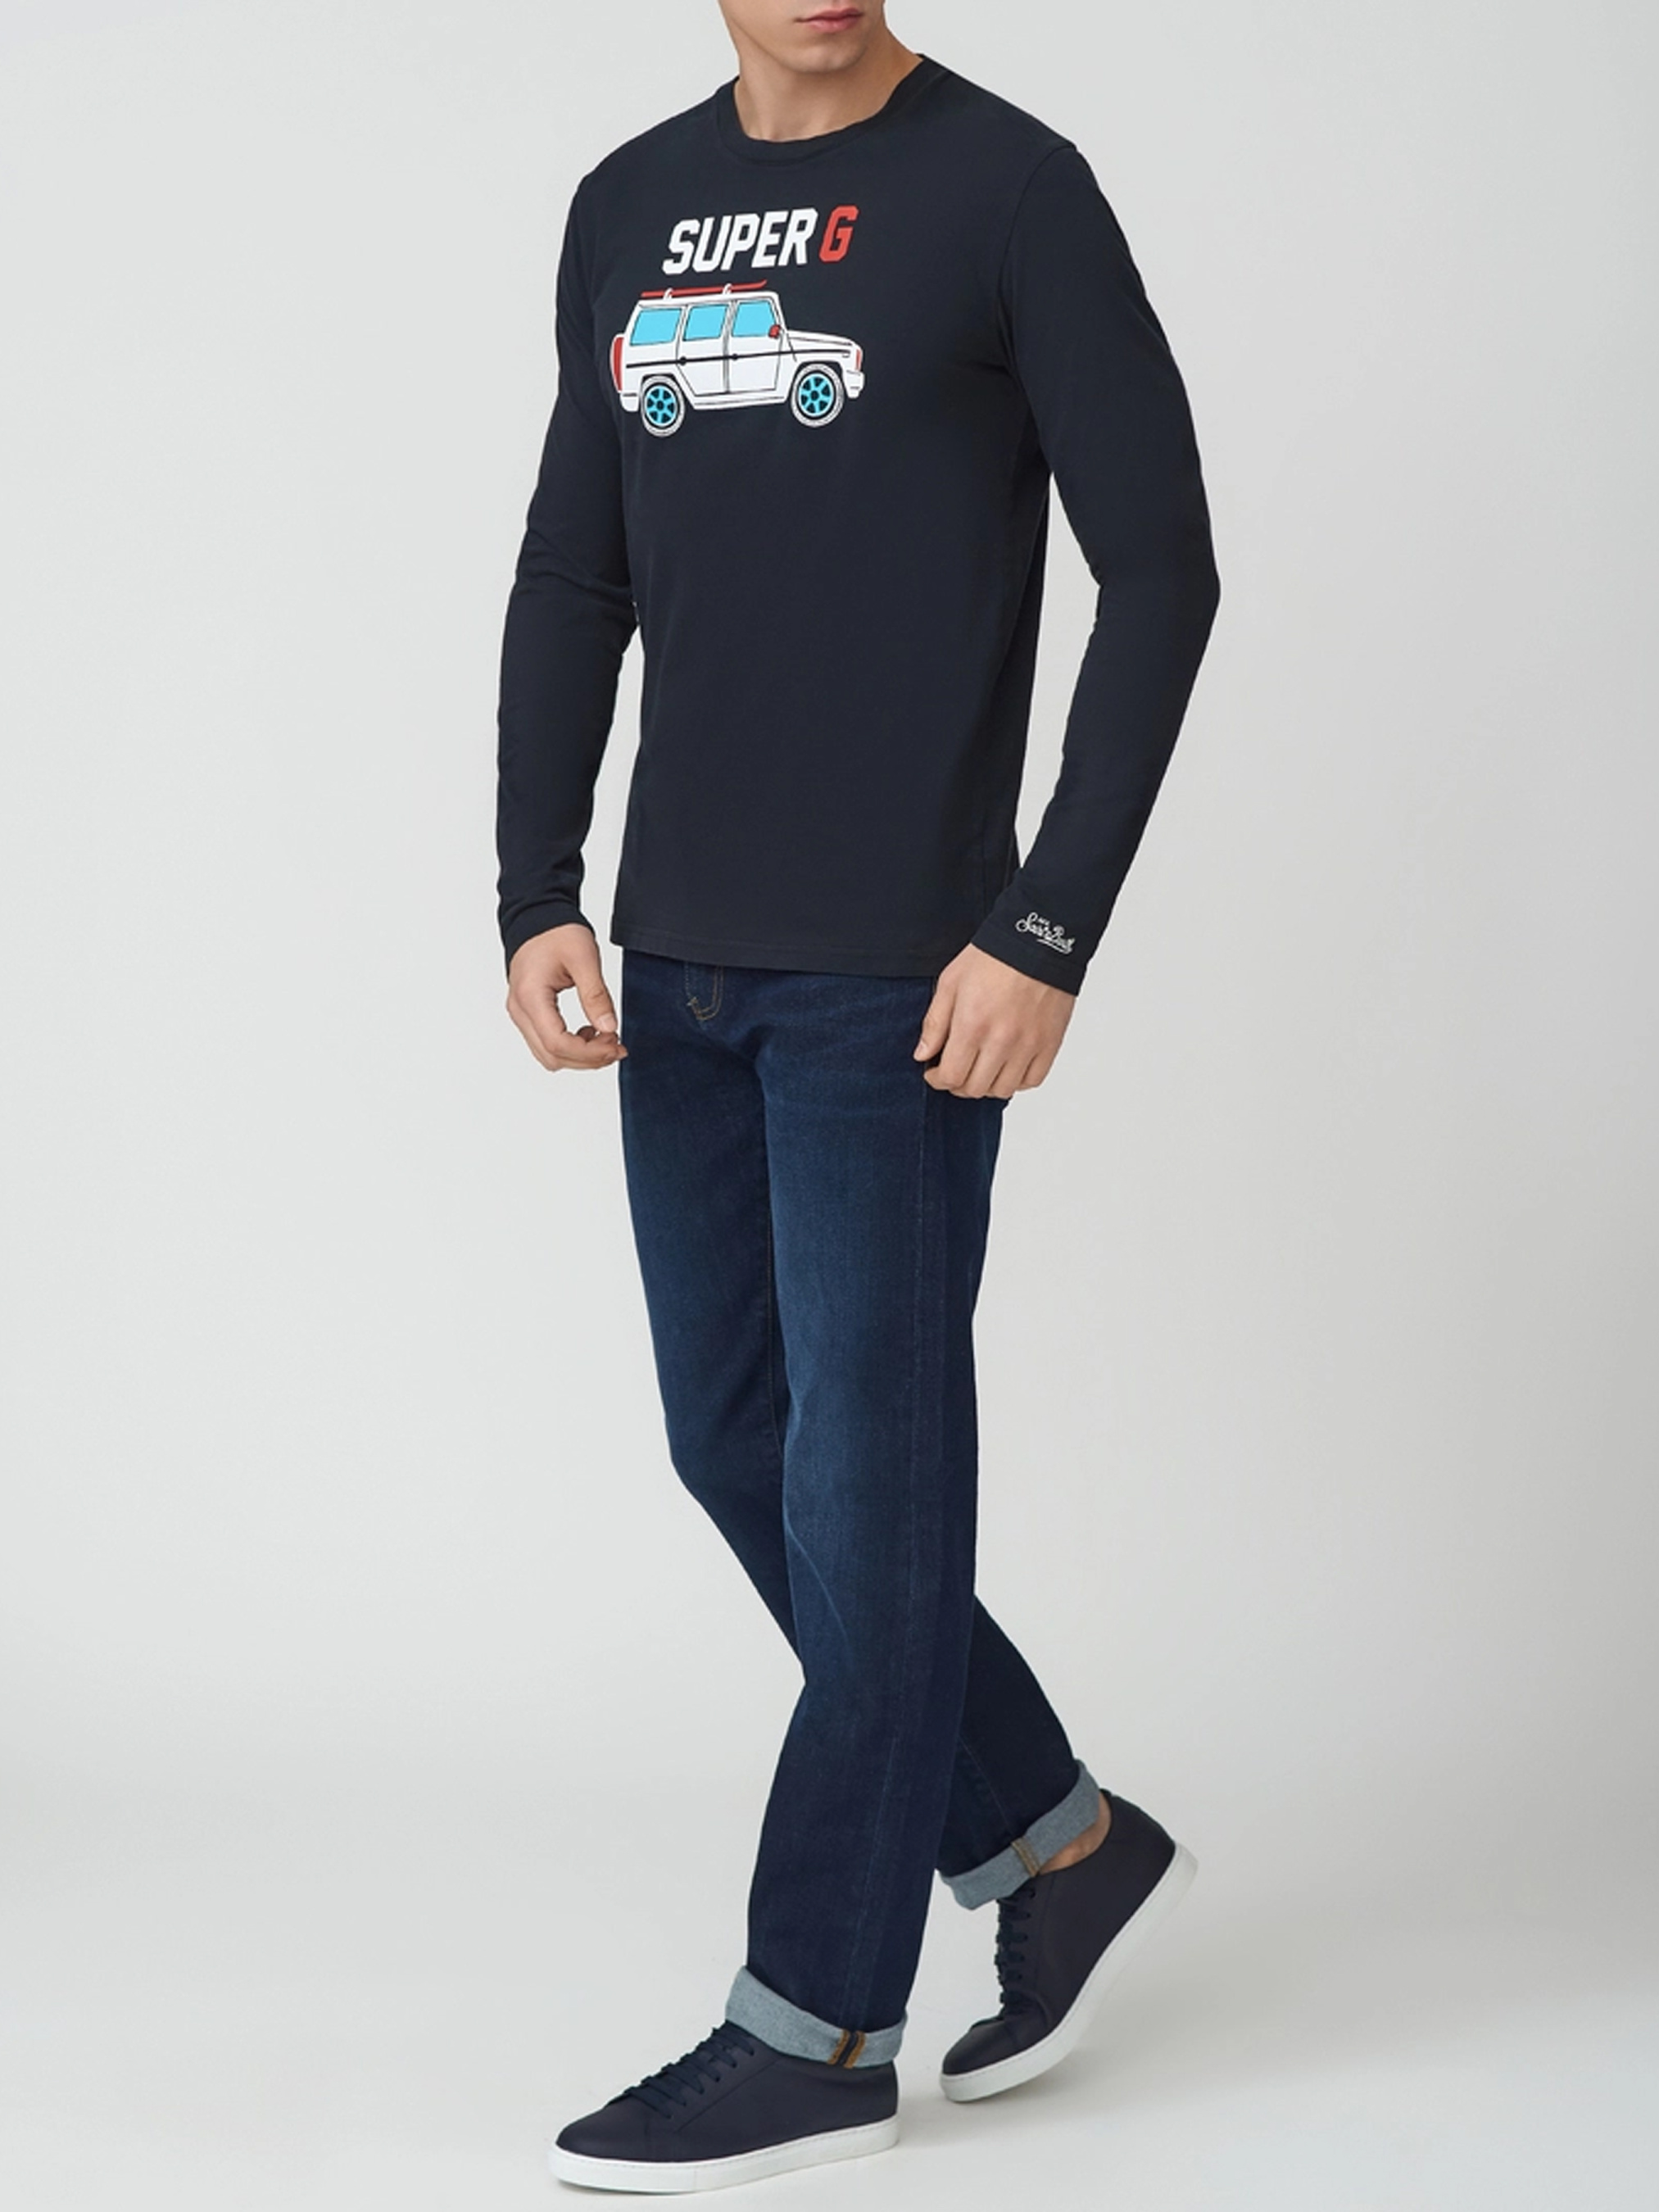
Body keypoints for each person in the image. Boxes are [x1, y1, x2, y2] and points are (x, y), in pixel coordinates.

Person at [496, 0, 1220, 2191]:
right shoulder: (627, 205)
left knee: (868, 1490)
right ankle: (1056, 1839)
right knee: (744, 1443)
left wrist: (1045, 926)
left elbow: (1162, 569)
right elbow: (578, 563)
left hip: (899, 979)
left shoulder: (1008, 191)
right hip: (682, 961)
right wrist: (535, 880)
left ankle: (815, 2022)